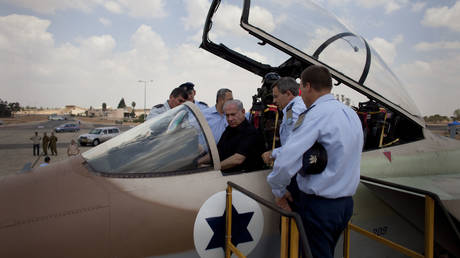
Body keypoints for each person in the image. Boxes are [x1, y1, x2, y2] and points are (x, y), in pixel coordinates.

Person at [267, 65, 364, 258]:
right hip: (344, 206)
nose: (300, 94)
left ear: (308, 86)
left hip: (320, 207)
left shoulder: (315, 115)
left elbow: (287, 160)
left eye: (301, 88)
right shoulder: (350, 114)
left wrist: (278, 190)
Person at [261, 77, 306, 164]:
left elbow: (297, 144)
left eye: (276, 96)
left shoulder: (293, 112)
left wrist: (272, 154)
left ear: (288, 94)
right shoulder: (297, 107)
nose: (274, 101)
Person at [217, 99, 265, 172]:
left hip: (245, 178)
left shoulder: (251, 132)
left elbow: (238, 159)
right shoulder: (228, 130)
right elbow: (217, 151)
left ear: (243, 112)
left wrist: (214, 168)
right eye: (227, 115)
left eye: (233, 114)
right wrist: (198, 162)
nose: (230, 119)